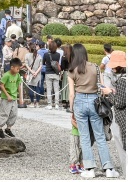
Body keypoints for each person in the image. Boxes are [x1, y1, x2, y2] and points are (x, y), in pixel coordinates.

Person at [68, 43, 117, 178]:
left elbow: (71, 94)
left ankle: (89, 169)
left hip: (79, 102)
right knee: (100, 136)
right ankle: (108, 168)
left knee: (84, 137)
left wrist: (72, 110)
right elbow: (102, 87)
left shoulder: (72, 70)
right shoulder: (95, 67)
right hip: (95, 102)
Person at [109, 50, 126, 176]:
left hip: (122, 118)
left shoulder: (122, 81)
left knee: (122, 146)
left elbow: (119, 103)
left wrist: (109, 93)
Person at [0, 58, 22, 139]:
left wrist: (21, 97)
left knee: (13, 113)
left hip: (14, 97)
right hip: (6, 98)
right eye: (17, 69)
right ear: (12, 67)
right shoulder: (6, 75)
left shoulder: (17, 75)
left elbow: (19, 84)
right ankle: (0, 129)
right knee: (4, 113)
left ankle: (8, 128)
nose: (18, 70)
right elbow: (1, 85)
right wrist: (7, 95)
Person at [44, 40, 63, 110]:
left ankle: (49, 104)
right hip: (56, 73)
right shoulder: (58, 54)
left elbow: (43, 63)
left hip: (48, 73)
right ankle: (57, 104)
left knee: (49, 89)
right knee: (56, 89)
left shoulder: (46, 54)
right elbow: (57, 63)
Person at [25, 41, 43, 108]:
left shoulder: (27, 55)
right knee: (38, 89)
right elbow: (41, 66)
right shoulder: (39, 56)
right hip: (38, 74)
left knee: (31, 89)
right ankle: (37, 103)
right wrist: (36, 72)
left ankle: (32, 102)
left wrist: (32, 72)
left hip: (31, 74)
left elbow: (26, 65)